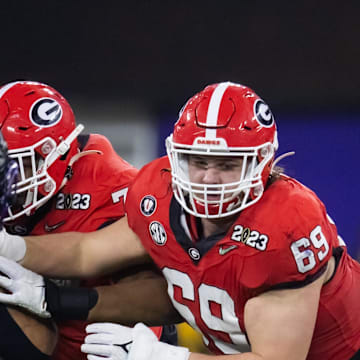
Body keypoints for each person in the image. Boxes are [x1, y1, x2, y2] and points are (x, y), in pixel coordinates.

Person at [0, 81, 359, 360]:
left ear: (261, 162)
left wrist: (163, 355)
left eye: (228, 164)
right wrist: (12, 249)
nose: (208, 178)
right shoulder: (157, 192)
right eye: (197, 160)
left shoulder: (286, 225)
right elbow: (86, 252)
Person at [0, 80, 169, 360]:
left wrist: (55, 300)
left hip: (97, 346)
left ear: (57, 154)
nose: (7, 180)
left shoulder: (112, 187)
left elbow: (159, 300)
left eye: (19, 165)